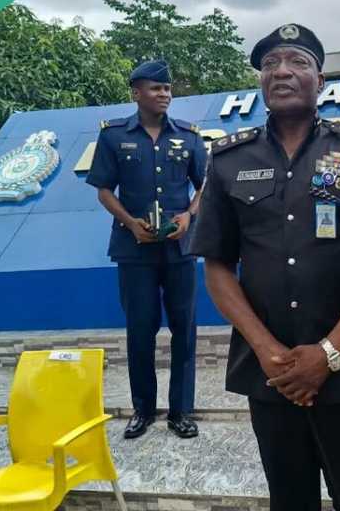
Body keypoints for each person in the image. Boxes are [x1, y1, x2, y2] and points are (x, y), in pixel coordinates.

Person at [194, 23, 340, 511]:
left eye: (297, 62)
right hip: (270, 371)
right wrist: (268, 351)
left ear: (320, 78)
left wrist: (328, 352)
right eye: (270, 64)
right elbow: (217, 266)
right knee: (288, 498)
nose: (282, 72)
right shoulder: (227, 160)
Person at [85, 60, 207, 439]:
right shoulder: (113, 137)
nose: (165, 95)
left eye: (168, 89)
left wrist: (188, 216)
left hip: (179, 249)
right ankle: (143, 411)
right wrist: (129, 221)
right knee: (140, 330)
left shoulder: (188, 137)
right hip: (133, 249)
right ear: (136, 93)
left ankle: (181, 412)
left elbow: (205, 186)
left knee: (184, 330)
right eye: (156, 89)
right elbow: (104, 190)